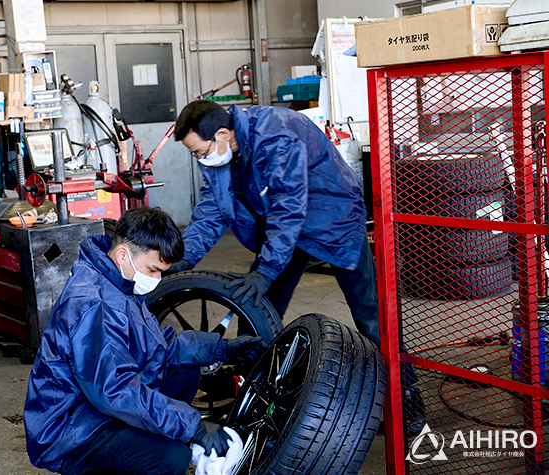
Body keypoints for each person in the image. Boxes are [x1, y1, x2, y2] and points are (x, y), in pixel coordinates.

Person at [170, 100, 425, 435]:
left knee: (372, 318)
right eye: (196, 155)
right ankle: (258, 397)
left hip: (331, 220)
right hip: (282, 231)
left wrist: (266, 270)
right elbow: (211, 209)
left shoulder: (277, 132)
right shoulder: (221, 151)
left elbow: (288, 207)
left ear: (221, 133)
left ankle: (409, 408)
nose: (201, 159)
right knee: (260, 310)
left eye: (200, 151)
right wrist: (185, 256)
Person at [24, 207, 265, 474]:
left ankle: (148, 442)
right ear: (123, 254)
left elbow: (157, 347)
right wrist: (193, 426)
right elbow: (115, 391)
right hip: (70, 427)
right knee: (170, 459)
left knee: (183, 373)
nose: (156, 279)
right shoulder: (93, 304)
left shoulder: (118, 279)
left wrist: (223, 349)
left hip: (97, 402)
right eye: (152, 270)